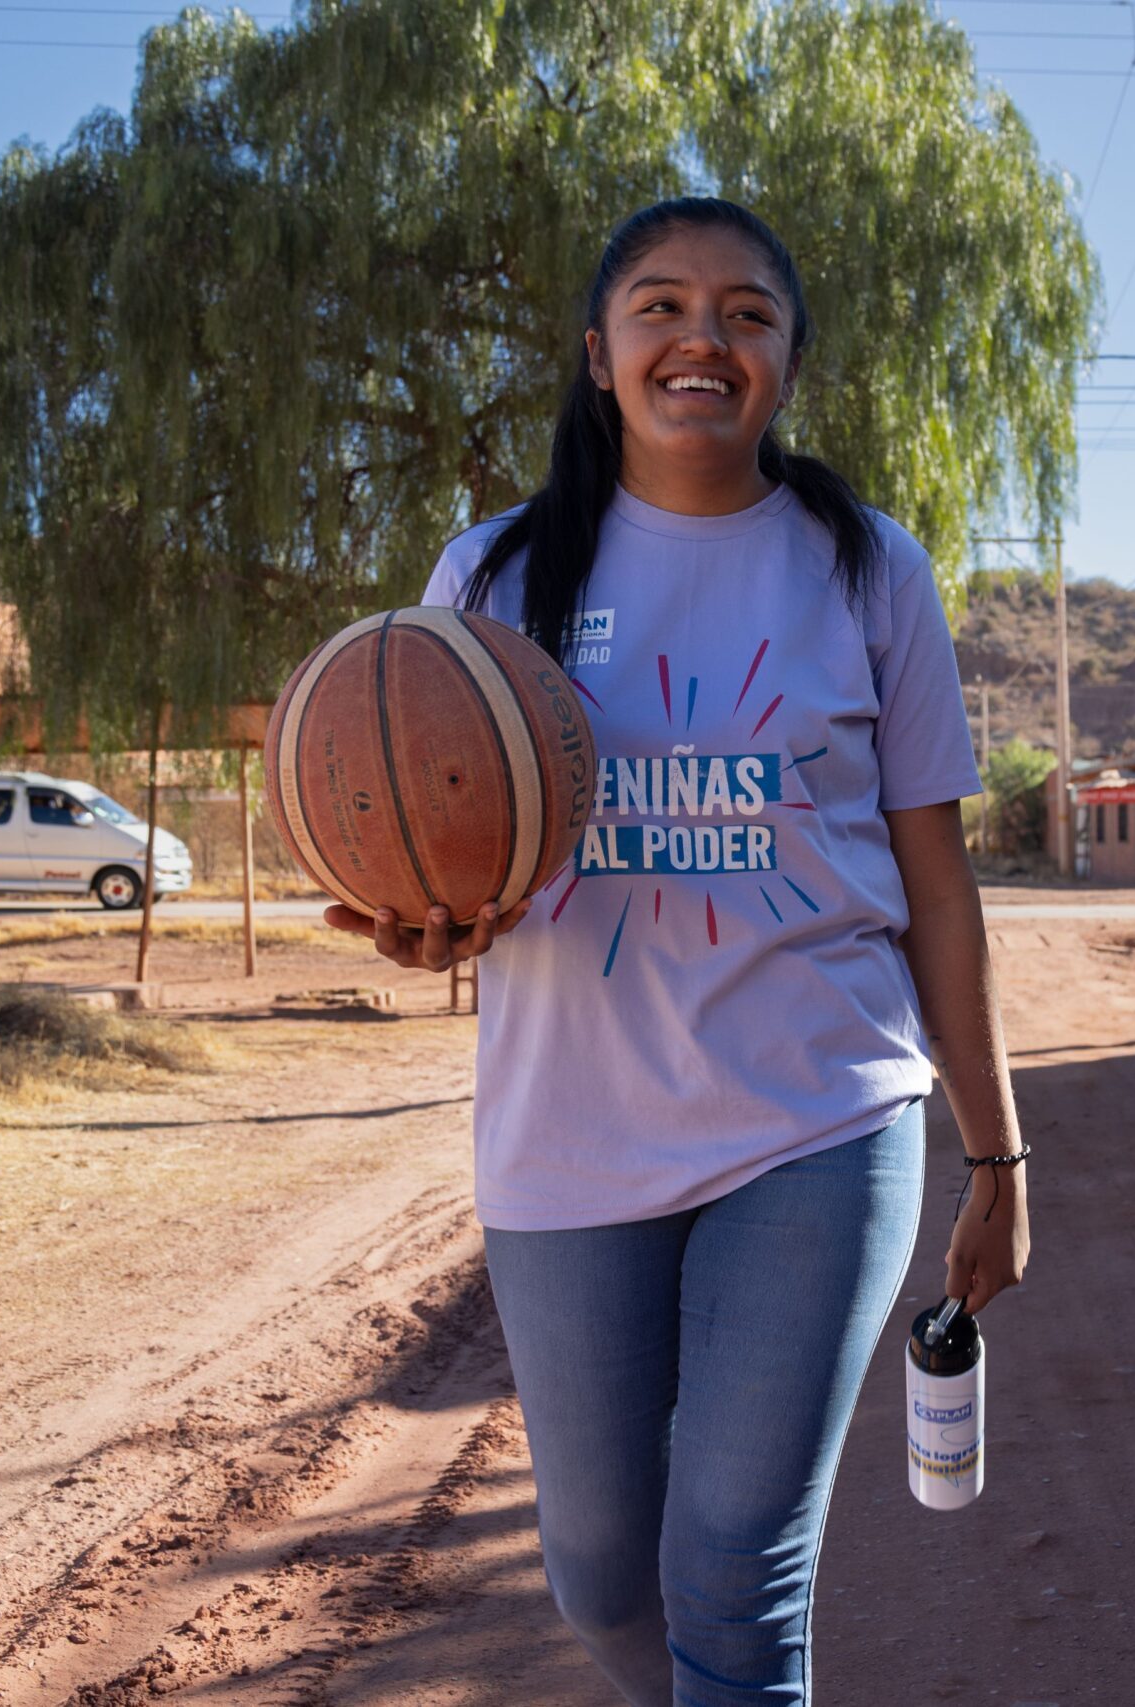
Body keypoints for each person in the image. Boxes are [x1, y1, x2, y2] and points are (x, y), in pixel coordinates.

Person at [325, 197, 1030, 1707]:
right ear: (600, 355)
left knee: (734, 1562)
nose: (701, 336)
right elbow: (457, 868)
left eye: (746, 313)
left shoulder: (868, 571)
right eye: (659, 307)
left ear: (787, 361)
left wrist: (1000, 1156)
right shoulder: (492, 579)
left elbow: (939, 889)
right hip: (568, 1137)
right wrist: (426, 921)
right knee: (598, 1571)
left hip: (819, 1121)